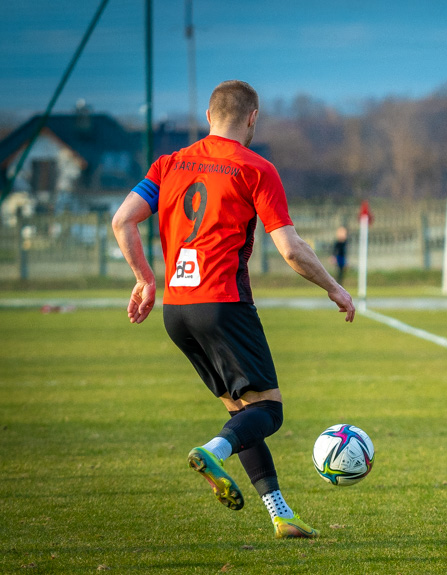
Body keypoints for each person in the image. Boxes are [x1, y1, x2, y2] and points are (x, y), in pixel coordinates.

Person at [112, 80, 355, 538]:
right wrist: (334, 287)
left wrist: (146, 279)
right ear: (252, 118)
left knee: (242, 414)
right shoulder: (256, 168)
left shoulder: (168, 163)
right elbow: (291, 249)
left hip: (176, 312)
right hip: (223, 303)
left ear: (208, 116)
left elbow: (122, 220)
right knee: (269, 412)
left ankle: (280, 514)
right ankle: (212, 452)